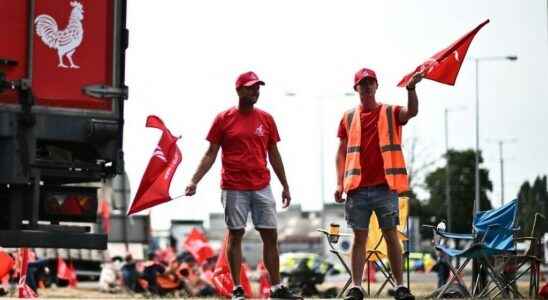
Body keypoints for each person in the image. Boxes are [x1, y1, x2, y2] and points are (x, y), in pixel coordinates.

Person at [185, 71, 302, 300]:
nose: (255, 91)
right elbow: (210, 153)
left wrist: (285, 185)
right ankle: (237, 288)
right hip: (233, 186)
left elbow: (274, 154)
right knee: (235, 234)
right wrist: (194, 180)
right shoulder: (223, 118)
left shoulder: (266, 119)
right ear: (239, 90)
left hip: (261, 185)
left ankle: (277, 289)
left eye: (258, 87)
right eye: (250, 87)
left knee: (270, 235)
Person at [334, 67, 423, 300]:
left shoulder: (390, 112)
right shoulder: (348, 117)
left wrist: (411, 88)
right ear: (356, 88)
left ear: (376, 86)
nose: (367, 86)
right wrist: (338, 183)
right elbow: (341, 152)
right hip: (357, 189)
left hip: (385, 187)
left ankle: (400, 286)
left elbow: (411, 111)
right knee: (359, 238)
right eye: (363, 83)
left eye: (370, 82)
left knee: (391, 234)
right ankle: (356, 287)